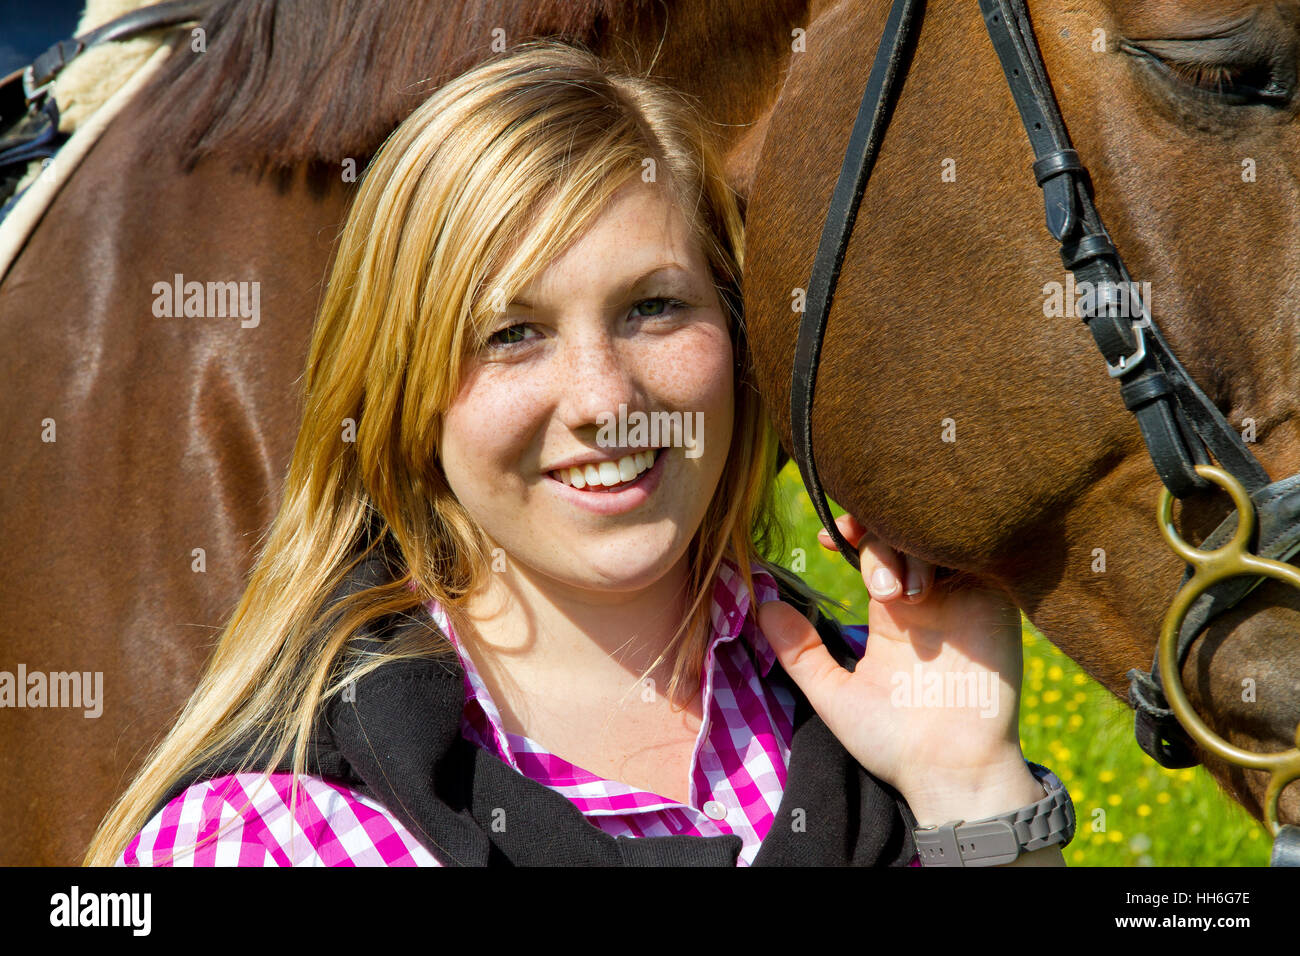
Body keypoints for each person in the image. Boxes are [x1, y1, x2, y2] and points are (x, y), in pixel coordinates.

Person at [85, 39, 1069, 868]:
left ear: (734, 336)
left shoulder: (879, 710)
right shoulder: (279, 830)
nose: (604, 398)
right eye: (510, 333)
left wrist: (969, 792)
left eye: (654, 306)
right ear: (398, 399)